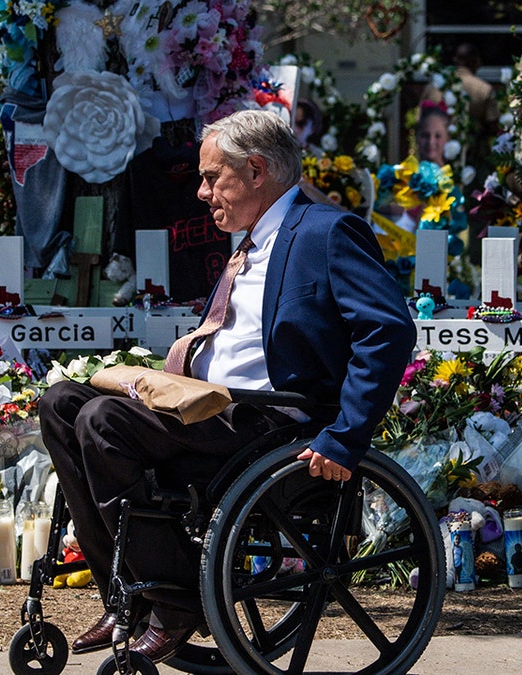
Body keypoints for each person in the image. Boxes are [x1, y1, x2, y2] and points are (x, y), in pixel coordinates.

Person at [40, 109, 415, 664]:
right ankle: (125, 598)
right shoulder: (250, 244)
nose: (200, 191)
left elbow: (387, 329)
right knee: (62, 403)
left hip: (272, 425)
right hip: (211, 412)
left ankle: (173, 600)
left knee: (104, 420)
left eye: (213, 177)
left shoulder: (326, 232)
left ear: (257, 170)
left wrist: (346, 436)